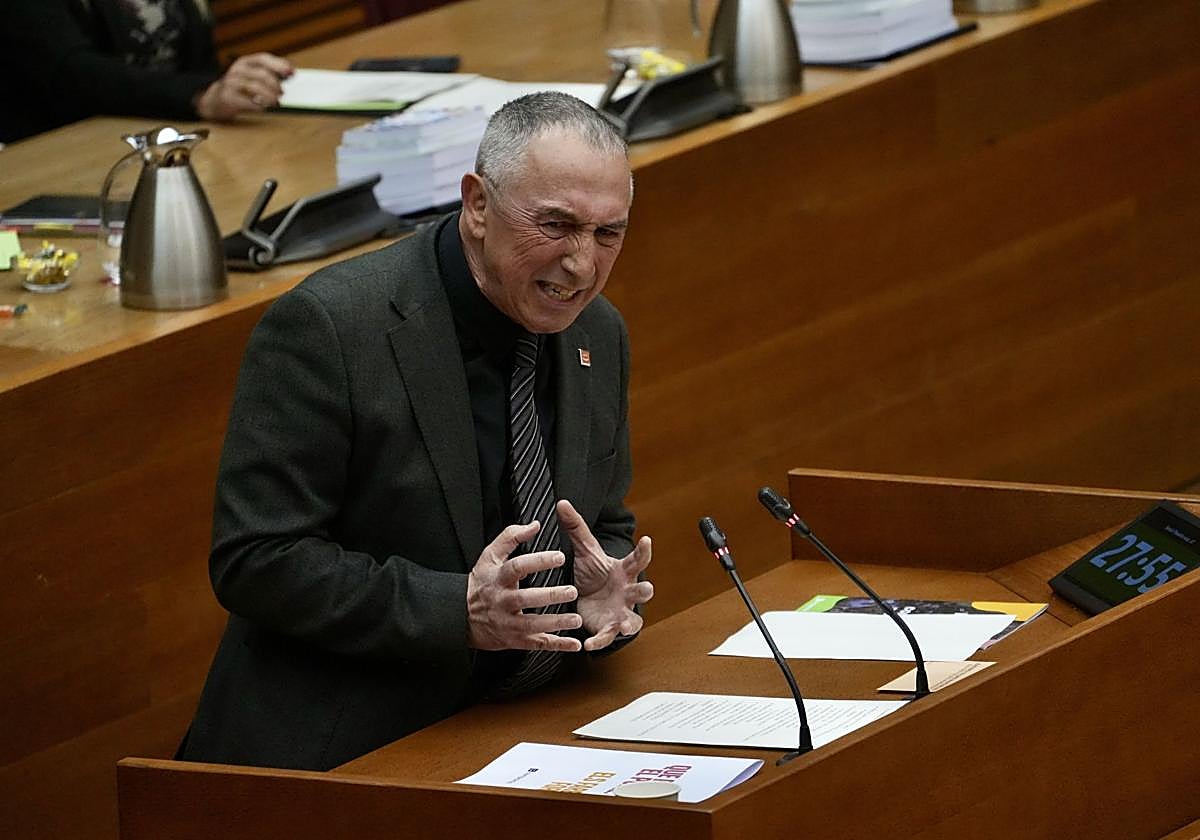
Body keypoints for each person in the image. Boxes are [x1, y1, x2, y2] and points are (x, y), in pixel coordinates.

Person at [178, 91, 654, 771]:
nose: (582, 264)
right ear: (477, 204)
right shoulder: (331, 328)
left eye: (608, 234)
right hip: (354, 747)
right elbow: (257, 558)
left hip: (533, 726)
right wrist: (455, 610)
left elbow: (603, 522)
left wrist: (597, 590)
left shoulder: (597, 332)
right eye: (555, 225)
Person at [0, 0, 293, 144]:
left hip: (172, 136)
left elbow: (194, 52)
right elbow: (73, 74)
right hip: (70, 152)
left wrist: (232, 88)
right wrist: (199, 95)